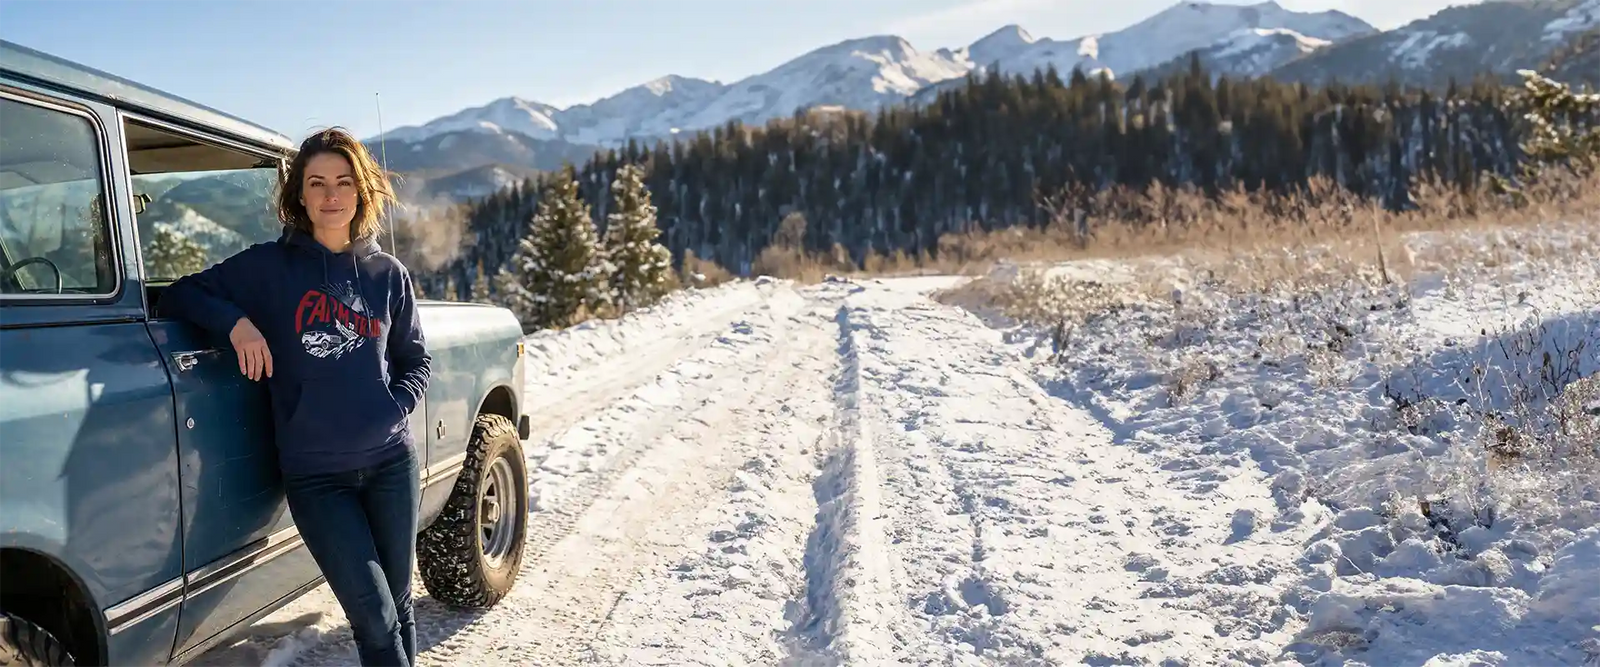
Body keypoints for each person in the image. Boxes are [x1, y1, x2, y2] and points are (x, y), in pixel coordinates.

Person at [160, 127, 430, 667]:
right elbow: (183, 292)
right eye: (317, 183)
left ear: (362, 191)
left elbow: (415, 360)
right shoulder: (268, 268)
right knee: (374, 617)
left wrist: (392, 407)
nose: (332, 195)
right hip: (317, 478)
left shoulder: (387, 274)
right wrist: (236, 323)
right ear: (299, 196)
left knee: (399, 607)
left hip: (391, 465)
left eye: (344, 182)